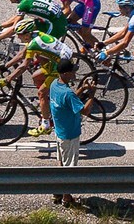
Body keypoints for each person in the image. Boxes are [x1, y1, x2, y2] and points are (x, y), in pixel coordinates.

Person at [49, 57, 85, 200]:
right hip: (71, 134)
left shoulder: (54, 85)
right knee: (70, 167)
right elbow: (85, 111)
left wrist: (82, 89)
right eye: (72, 72)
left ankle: (57, 191)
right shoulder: (68, 93)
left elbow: (68, 100)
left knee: (61, 162)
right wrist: (92, 94)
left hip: (60, 131)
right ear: (65, 73)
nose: (74, 74)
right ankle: (66, 197)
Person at [38, 0, 102, 50]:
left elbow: (68, 10)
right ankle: (88, 43)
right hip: (87, 1)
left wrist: (54, 20)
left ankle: (104, 53)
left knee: (86, 34)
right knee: (71, 21)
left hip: (91, 4)